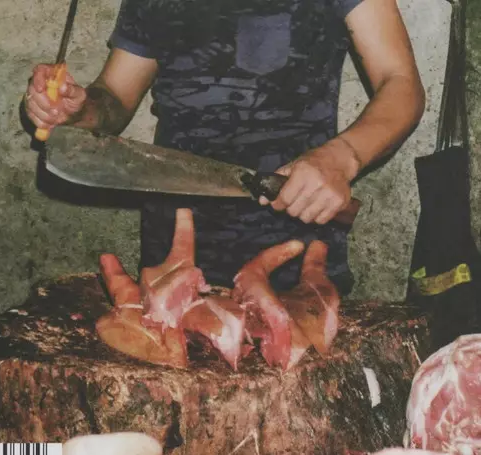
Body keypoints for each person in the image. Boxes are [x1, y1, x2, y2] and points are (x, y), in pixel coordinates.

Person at [24, 0, 425, 295]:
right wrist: (77, 110)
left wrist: (341, 157)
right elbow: (114, 98)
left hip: (294, 249)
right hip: (176, 250)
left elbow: (400, 82)